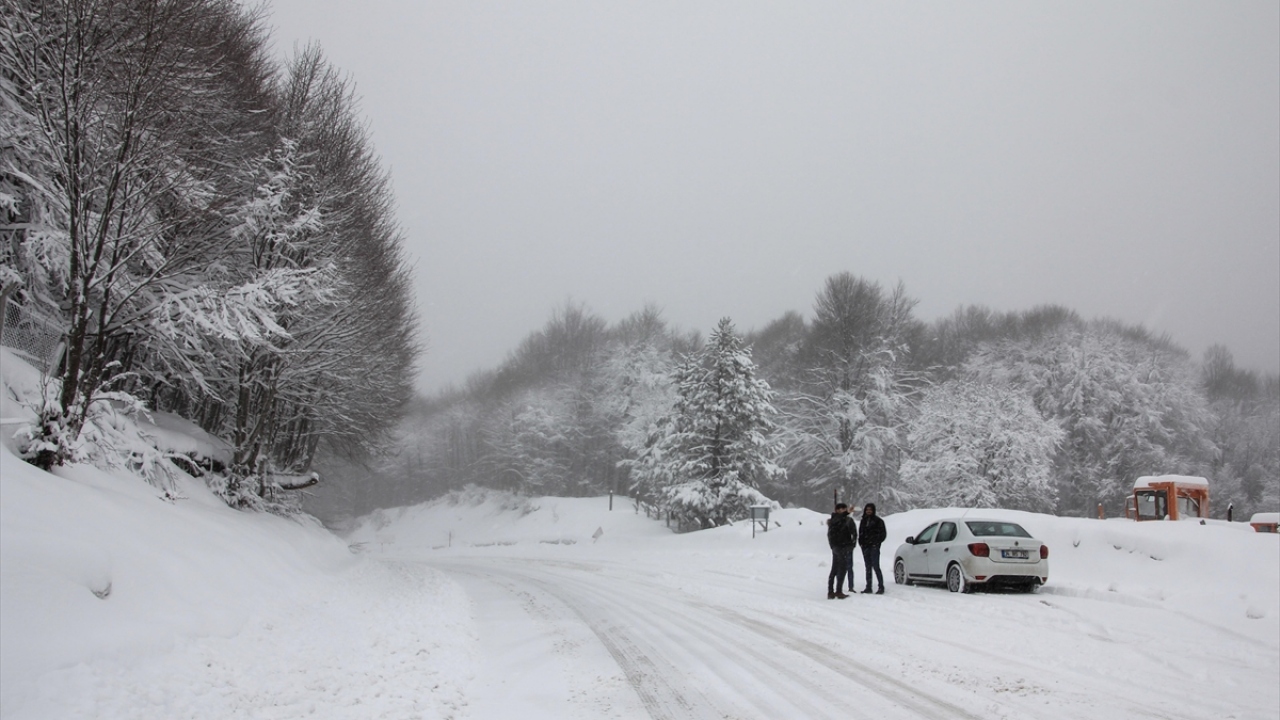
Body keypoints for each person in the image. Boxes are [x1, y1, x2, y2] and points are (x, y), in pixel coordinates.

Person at [826, 503, 856, 599]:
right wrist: (833, 546)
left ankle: (837, 590)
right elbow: (830, 534)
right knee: (837, 568)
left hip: (845, 547)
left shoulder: (848, 520)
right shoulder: (834, 519)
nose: (842, 510)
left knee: (841, 569)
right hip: (837, 547)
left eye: (843, 508)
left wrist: (852, 545)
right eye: (840, 509)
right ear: (836, 510)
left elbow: (854, 533)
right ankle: (832, 591)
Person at [858, 503, 887, 594]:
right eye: (867, 510)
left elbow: (883, 534)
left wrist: (876, 543)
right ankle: (868, 587)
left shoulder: (878, 521)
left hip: (874, 547)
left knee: (876, 566)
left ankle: (881, 586)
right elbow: (861, 533)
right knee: (868, 567)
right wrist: (861, 543)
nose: (868, 511)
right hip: (865, 547)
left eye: (870, 510)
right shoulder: (863, 521)